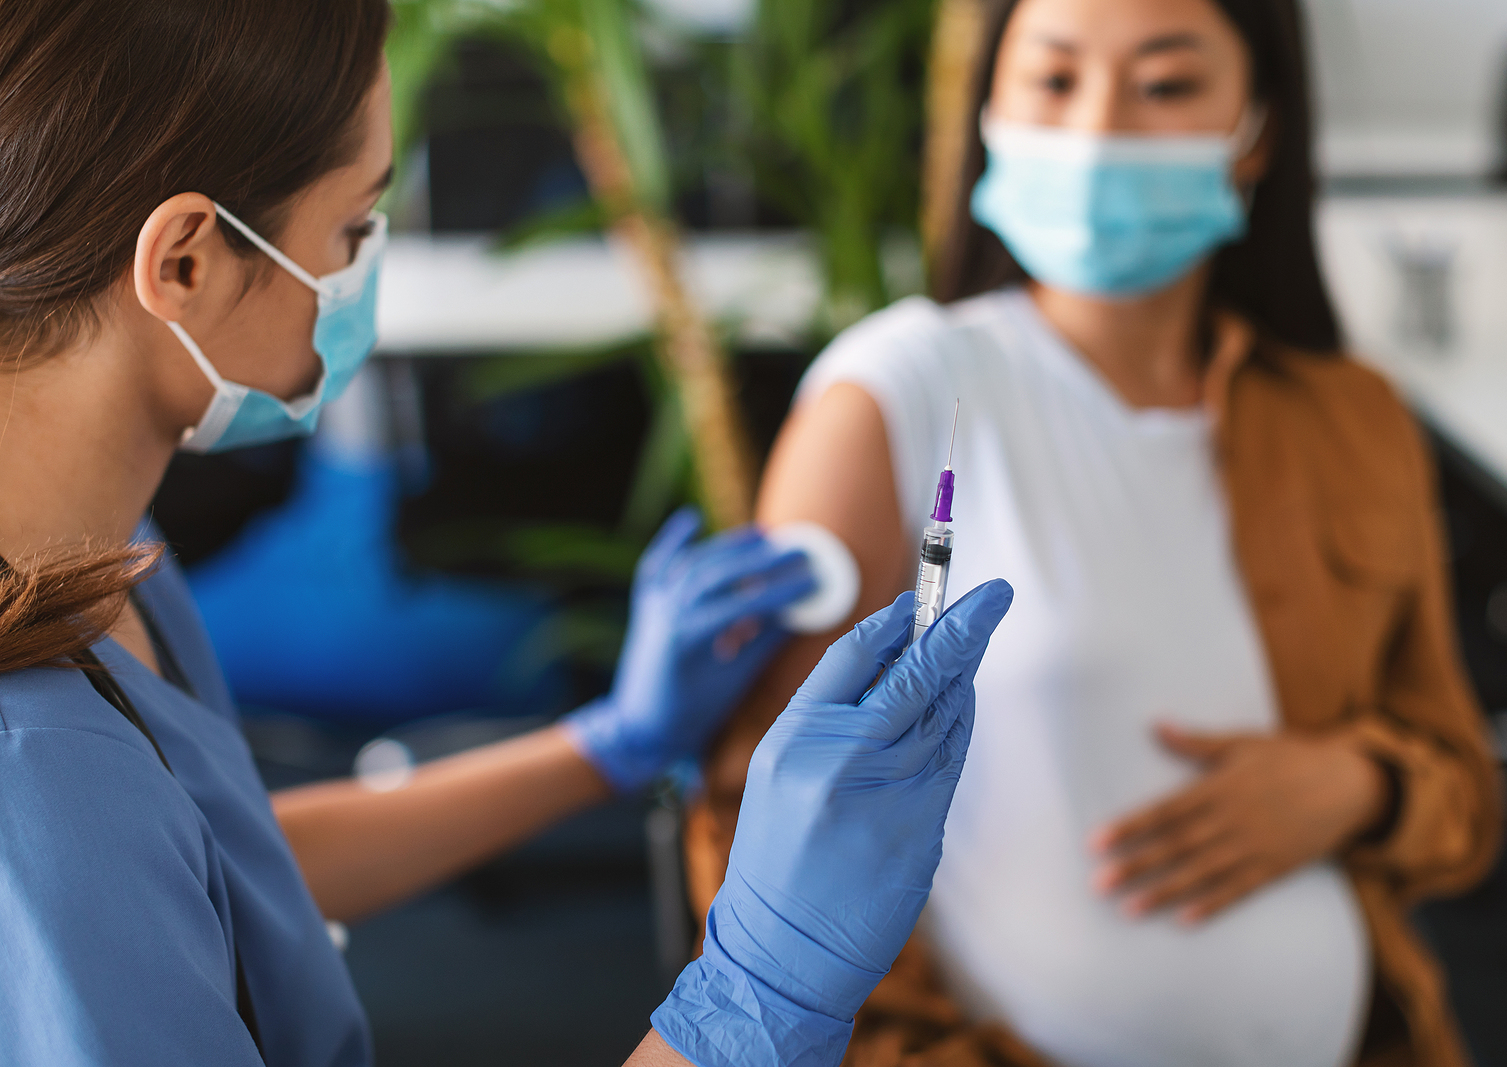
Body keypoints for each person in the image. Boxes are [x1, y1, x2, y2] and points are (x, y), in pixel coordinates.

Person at [0, 2, 1015, 1065]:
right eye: (351, 230)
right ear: (186, 264)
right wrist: (759, 989)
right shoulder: (37, 775)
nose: (362, 277)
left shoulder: (103, 551)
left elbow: (223, 876)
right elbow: (104, 867)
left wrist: (608, 742)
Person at [685, 0, 1503, 1065]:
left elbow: (1465, 796)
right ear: (987, 106)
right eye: (1053, 80)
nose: (1097, 129)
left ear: (1255, 130)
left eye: (1165, 85)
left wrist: (1361, 782)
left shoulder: (1353, 417)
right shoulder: (894, 399)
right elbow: (758, 830)